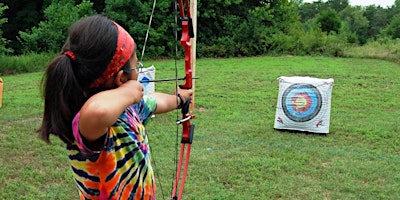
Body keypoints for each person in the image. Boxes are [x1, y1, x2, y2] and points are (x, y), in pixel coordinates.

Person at [37, 14, 192, 199]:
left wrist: (179, 98)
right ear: (121, 78)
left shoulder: (127, 109)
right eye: (136, 66)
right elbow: (97, 111)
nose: (138, 70)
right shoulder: (88, 126)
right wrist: (128, 93)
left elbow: (156, 101)